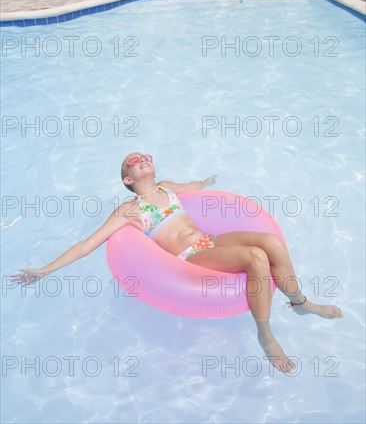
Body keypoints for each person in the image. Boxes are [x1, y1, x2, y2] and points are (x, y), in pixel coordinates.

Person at [12, 152, 342, 373]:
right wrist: (45, 270)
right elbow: (87, 244)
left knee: (270, 242)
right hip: (192, 256)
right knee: (256, 257)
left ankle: (301, 303)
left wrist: (206, 182)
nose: (141, 160)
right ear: (128, 179)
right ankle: (265, 334)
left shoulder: (167, 187)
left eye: (144, 157)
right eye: (133, 161)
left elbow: (193, 187)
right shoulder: (130, 210)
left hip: (211, 240)